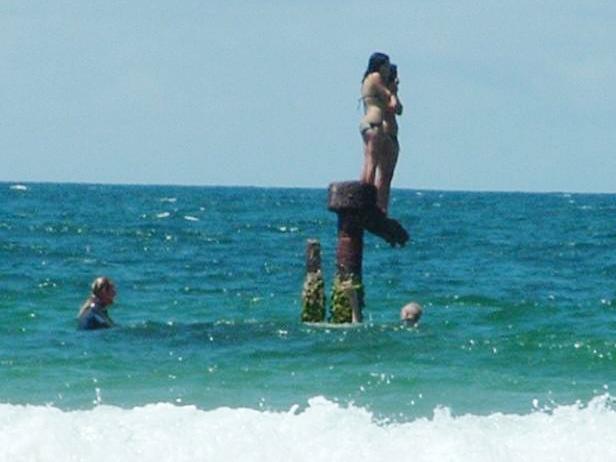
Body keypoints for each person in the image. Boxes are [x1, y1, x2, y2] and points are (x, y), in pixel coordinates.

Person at [359, 52, 399, 213]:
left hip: (374, 125)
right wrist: (393, 91)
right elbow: (392, 103)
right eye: (387, 66)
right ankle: (365, 201)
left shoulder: (370, 80)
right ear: (380, 66)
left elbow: (397, 109)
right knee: (371, 164)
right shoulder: (374, 77)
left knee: (374, 164)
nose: (389, 69)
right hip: (373, 124)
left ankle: (378, 206)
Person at [379, 64, 403, 214]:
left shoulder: (391, 92)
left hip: (393, 135)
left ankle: (383, 207)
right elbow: (392, 107)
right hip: (385, 134)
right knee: (382, 174)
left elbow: (400, 110)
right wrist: (392, 92)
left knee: (388, 176)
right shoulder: (383, 92)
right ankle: (378, 205)